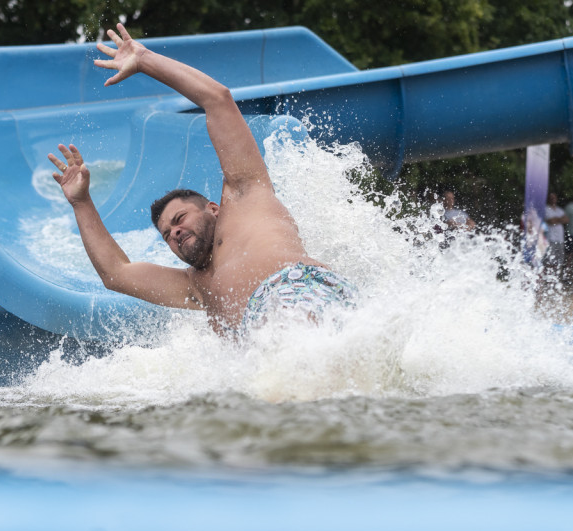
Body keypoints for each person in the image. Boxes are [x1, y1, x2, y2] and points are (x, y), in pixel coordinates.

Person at [48, 23, 356, 335]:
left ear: (212, 208)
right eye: (168, 235)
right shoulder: (195, 286)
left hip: (297, 291)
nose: (175, 233)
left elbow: (217, 99)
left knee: (291, 342)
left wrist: (144, 60)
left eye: (179, 219)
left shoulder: (244, 197)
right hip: (269, 339)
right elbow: (116, 274)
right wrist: (81, 202)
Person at [543, 192, 568, 276]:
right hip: (551, 238)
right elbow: (551, 221)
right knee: (549, 260)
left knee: (559, 260)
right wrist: (560, 219)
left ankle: (556, 278)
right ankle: (548, 278)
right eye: (551, 197)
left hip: (560, 239)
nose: (553, 199)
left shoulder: (559, 210)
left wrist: (556, 219)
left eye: (554, 197)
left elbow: (567, 220)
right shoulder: (546, 209)